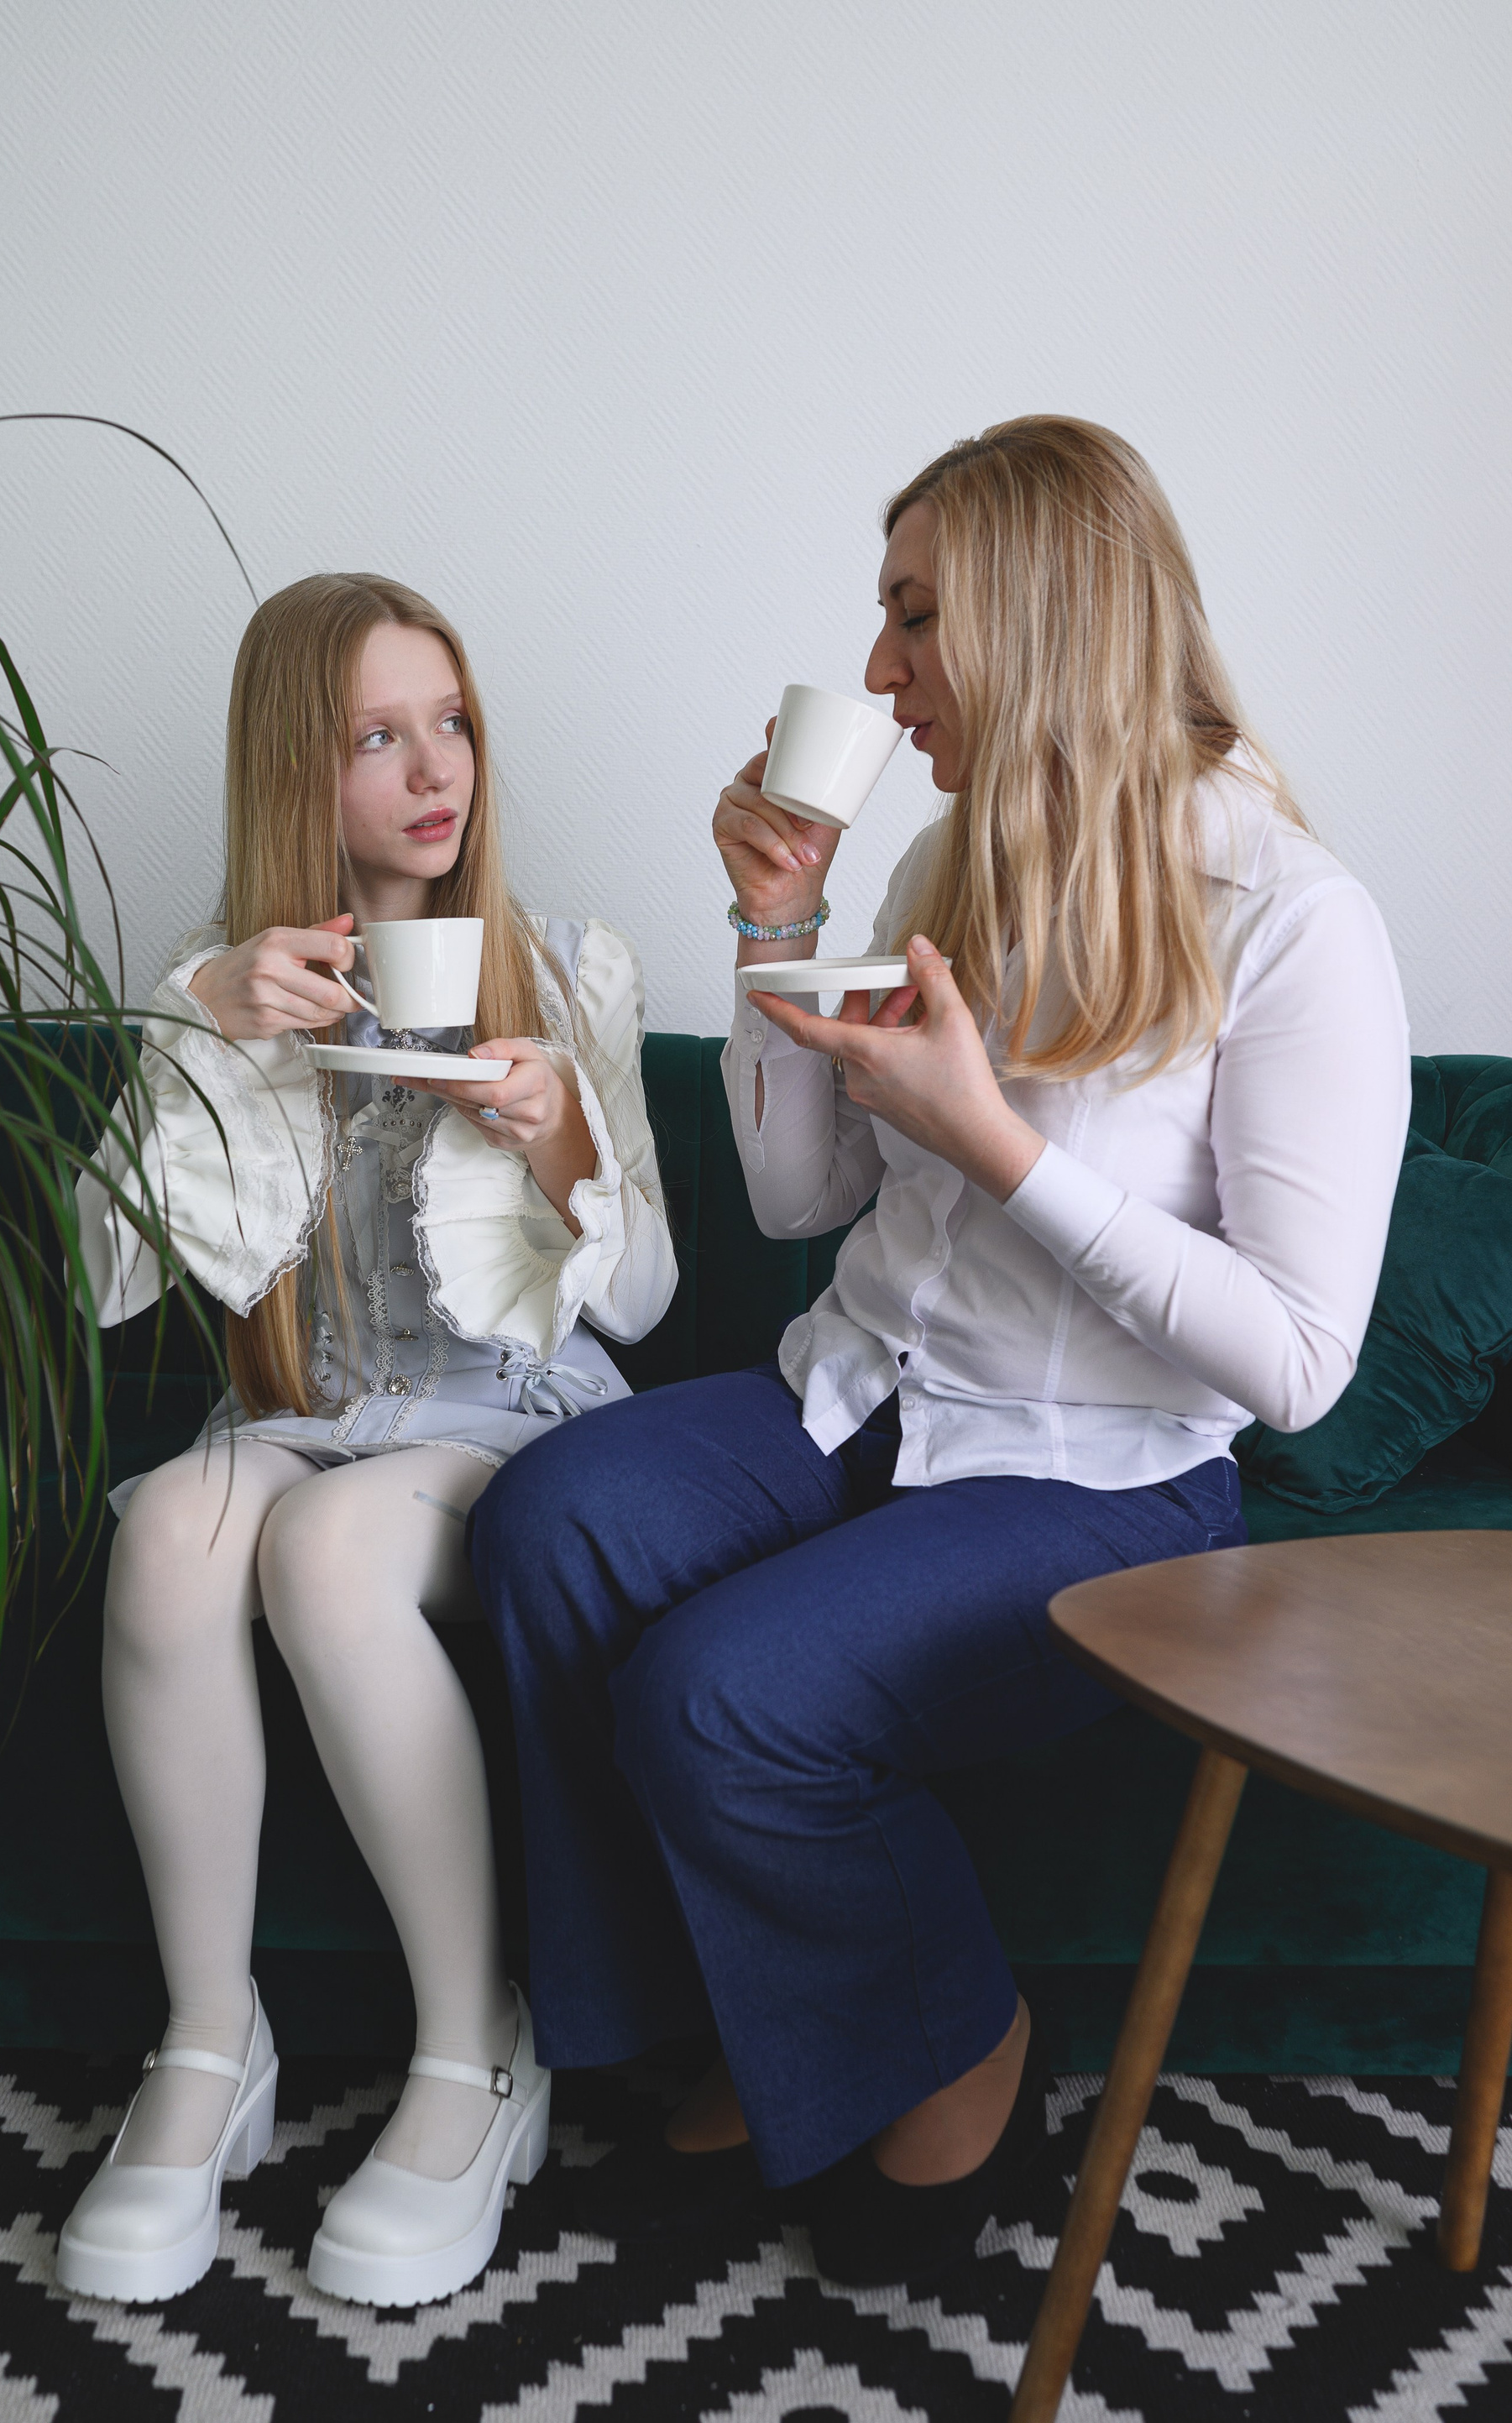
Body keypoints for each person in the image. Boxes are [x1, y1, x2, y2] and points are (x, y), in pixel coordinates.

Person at [468, 418, 1411, 2284]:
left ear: (1045, 618)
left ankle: (964, 2049)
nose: (879, 670)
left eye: (916, 617)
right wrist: (778, 925)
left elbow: (1300, 1363)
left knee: (723, 1695)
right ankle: (730, 2029)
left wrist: (1001, 1145)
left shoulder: (1294, 920)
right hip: (861, 1393)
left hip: (1101, 1483)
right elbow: (805, 1198)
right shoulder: (939, 869)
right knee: (549, 1525)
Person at [55, 573, 676, 2308]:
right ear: (295, 773)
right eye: (377, 736)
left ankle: (476, 2046)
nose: (435, 768)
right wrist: (200, 1020)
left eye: (451, 722)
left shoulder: (565, 966)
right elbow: (100, 1279)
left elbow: (643, 1300)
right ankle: (208, 2041)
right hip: (307, 1411)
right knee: (169, 1533)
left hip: (508, 1424)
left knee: (326, 1553)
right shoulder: (234, 986)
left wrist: (559, 1142)